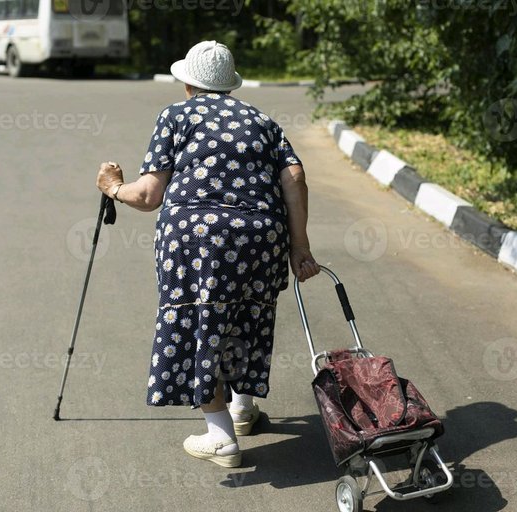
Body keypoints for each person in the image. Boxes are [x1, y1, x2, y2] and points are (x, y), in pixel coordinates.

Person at [96, 40, 319, 468]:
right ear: (229, 85)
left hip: (197, 239)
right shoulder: (262, 121)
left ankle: (220, 436)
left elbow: (147, 196)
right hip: (262, 235)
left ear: (187, 83)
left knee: (201, 322)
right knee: (246, 314)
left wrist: (111, 188)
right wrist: (299, 246)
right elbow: (295, 177)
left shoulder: (177, 115)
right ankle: (242, 409)